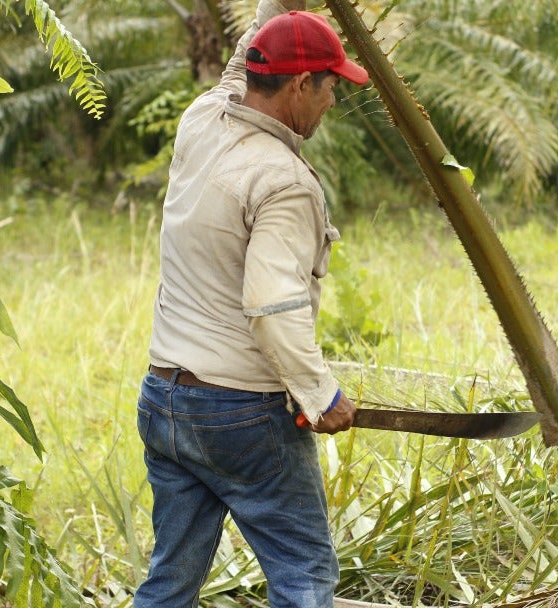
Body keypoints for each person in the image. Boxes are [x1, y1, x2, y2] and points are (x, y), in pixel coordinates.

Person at [133, 1, 369, 606]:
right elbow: (274, 306)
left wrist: (283, 11)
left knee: (170, 583)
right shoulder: (283, 180)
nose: (333, 101)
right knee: (305, 577)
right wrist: (320, 395)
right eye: (329, 86)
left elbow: (248, 54)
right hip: (239, 414)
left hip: (164, 400)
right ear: (298, 84)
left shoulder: (204, 118)